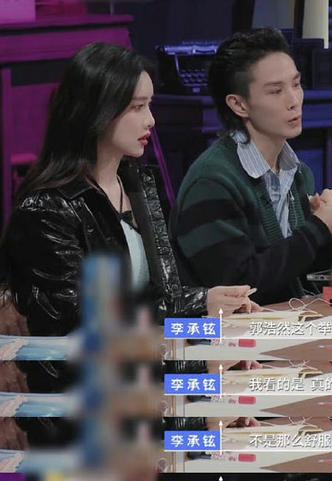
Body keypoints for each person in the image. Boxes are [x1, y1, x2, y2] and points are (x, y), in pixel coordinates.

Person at [0, 42, 259, 339]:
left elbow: (165, 305)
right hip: (90, 367)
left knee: (251, 350)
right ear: (97, 111)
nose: (151, 120)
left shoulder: (139, 185)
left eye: (149, 105)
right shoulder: (46, 210)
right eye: (137, 107)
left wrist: (214, 326)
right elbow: (83, 325)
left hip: (151, 358)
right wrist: (199, 344)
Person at [171, 28, 332, 306]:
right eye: (276, 91)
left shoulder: (298, 173)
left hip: (291, 323)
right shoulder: (212, 182)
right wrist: (319, 228)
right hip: (229, 330)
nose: (294, 101)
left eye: (296, 84)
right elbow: (240, 285)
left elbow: (303, 278)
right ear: (239, 104)